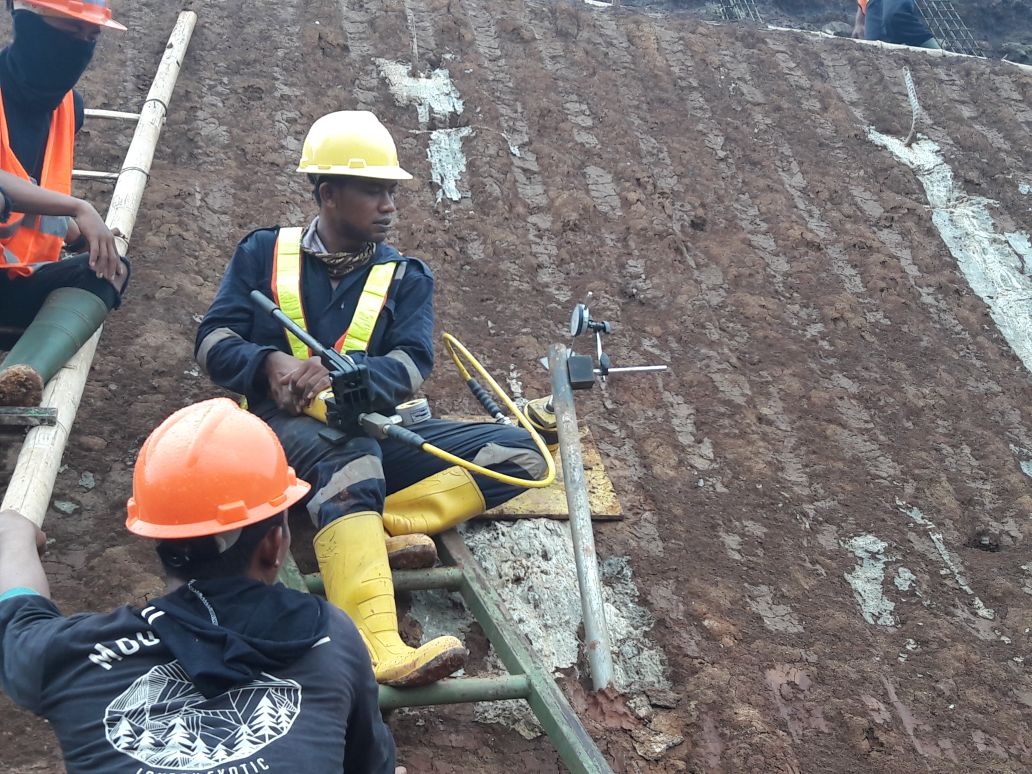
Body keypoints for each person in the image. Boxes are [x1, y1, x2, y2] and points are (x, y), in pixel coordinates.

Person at [195, 110, 548, 687]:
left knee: (520, 456)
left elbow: (413, 362)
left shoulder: (407, 276)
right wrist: (269, 365)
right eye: (375, 191)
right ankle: (377, 644)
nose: (389, 205)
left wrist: (349, 375)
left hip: (368, 425)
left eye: (391, 192)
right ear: (329, 195)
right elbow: (211, 340)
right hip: (272, 437)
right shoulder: (263, 253)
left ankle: (375, 520)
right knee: (350, 452)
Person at [0, 398, 400, 773]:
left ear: (159, 538)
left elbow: (18, 611)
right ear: (275, 543)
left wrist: (13, 532)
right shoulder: (332, 637)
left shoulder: (64, 656)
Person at [0, 0, 130, 408]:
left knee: (107, 270)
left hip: (13, 284)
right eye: (70, 31)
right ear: (27, 20)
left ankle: (13, 387)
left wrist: (89, 236)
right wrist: (79, 207)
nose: (81, 46)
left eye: (90, 37)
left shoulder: (68, 108)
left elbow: (38, 197)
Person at [854, 0, 942, 49]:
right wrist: (859, 22)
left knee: (895, 15)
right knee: (875, 47)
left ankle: (941, 55)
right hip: (871, 3)